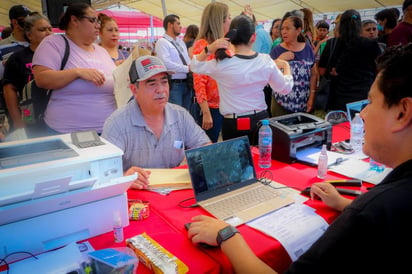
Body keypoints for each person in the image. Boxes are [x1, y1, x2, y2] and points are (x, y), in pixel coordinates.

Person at [187, 42, 412, 274]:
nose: (362, 113)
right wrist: (344, 203)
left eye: (371, 102)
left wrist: (227, 235)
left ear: (402, 112)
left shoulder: (372, 211)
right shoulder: (384, 202)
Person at [102, 55, 210, 190]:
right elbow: (103, 175)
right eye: (152, 84)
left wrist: (197, 160)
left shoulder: (180, 115)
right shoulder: (116, 124)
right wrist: (125, 176)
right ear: (134, 90)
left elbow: (205, 147)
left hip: (175, 194)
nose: (161, 90)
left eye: (164, 82)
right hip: (137, 198)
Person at [190, 14, 293, 145]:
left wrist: (209, 49)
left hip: (232, 123)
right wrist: (286, 66)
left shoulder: (222, 63)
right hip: (260, 121)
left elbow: (195, 66)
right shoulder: (265, 60)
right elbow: (285, 88)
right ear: (253, 37)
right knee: (261, 162)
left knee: (235, 164)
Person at [32, 2, 116, 135]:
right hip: (66, 132)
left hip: (108, 131)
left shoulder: (102, 51)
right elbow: (42, 79)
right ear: (74, 20)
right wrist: (77, 72)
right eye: (92, 20)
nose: (98, 25)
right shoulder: (54, 43)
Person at [318, 9, 381, 111]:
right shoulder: (371, 44)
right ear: (359, 25)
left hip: (338, 98)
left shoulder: (332, 44)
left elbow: (322, 70)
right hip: (365, 97)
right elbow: (380, 69)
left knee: (340, 126)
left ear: (341, 25)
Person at [2, 12, 53, 131]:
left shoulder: (59, 56)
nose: (48, 33)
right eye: (42, 29)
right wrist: (18, 122)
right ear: (29, 35)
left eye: (50, 29)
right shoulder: (17, 58)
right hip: (29, 115)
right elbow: (9, 91)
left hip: (57, 117)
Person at [191, 2, 230, 142]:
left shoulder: (225, 43)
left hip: (224, 106)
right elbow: (199, 81)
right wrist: (206, 112)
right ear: (220, 21)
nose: (231, 21)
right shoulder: (203, 44)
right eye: (228, 18)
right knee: (209, 147)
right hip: (211, 108)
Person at [270, 15, 316, 116]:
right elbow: (268, 75)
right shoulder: (276, 51)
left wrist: (312, 97)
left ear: (298, 30)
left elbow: (314, 75)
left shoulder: (307, 49)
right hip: (280, 105)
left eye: (287, 28)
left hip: (303, 104)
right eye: (282, 29)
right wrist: (280, 59)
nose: (284, 32)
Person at [155, 14, 192, 112]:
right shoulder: (162, 42)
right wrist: (187, 68)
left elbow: (187, 59)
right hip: (175, 85)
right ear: (170, 25)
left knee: (186, 114)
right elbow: (165, 64)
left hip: (187, 82)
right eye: (178, 23)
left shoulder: (180, 42)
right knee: (176, 114)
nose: (181, 26)